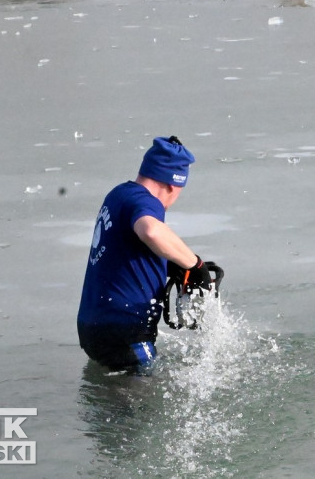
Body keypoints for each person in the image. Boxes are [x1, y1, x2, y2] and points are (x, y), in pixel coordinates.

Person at [77, 136, 220, 372]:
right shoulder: (144, 202)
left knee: (113, 398)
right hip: (126, 329)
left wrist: (167, 263)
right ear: (173, 185)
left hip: (93, 325)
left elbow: (127, 248)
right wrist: (195, 266)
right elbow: (151, 231)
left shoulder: (119, 195)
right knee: (144, 405)